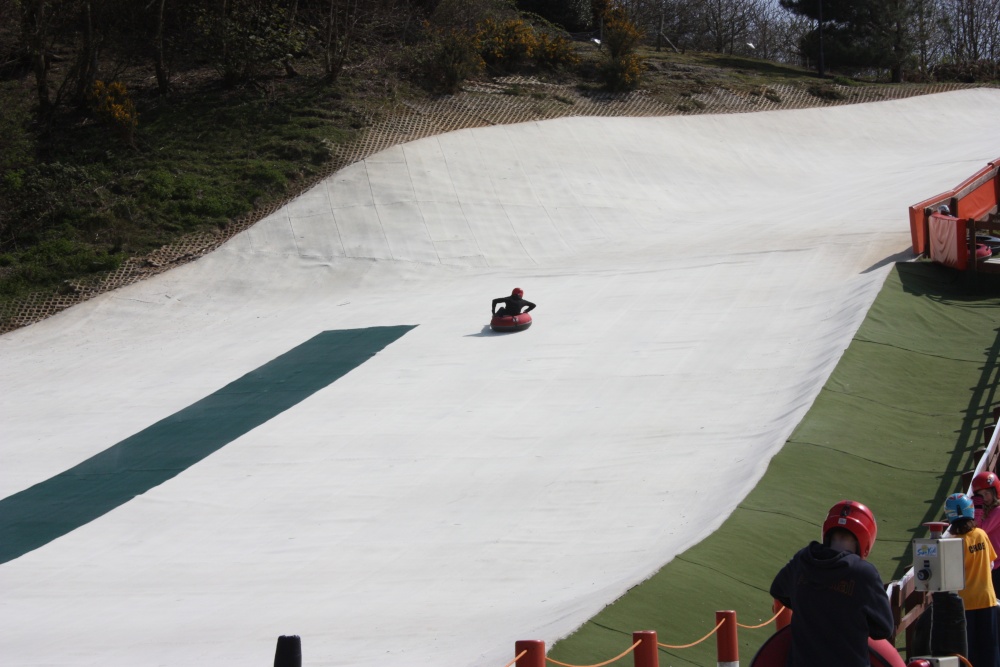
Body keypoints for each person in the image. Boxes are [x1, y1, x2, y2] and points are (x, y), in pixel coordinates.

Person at [769, 500, 894, 667]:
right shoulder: (864, 574)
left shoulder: (802, 560)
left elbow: (778, 590)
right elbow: (884, 628)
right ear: (865, 539)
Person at [945, 492, 1000, 667]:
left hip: (965, 603)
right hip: (987, 599)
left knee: (970, 653)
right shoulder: (982, 534)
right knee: (990, 649)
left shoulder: (954, 543)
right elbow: (991, 564)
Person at [972, 471, 1000, 598]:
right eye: (981, 495)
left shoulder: (998, 510)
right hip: (991, 564)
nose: (985, 497)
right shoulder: (988, 510)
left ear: (995, 492)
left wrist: (977, 508)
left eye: (987, 493)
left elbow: (979, 529)